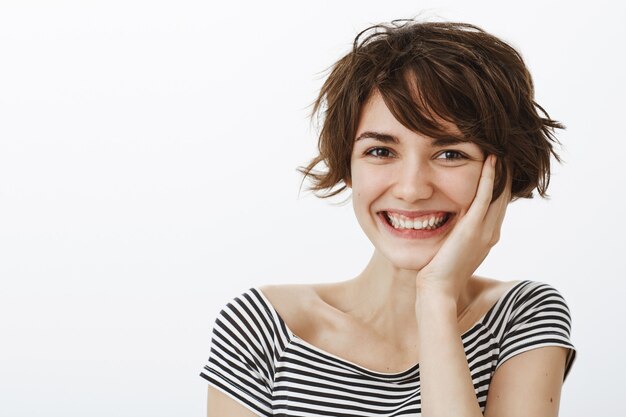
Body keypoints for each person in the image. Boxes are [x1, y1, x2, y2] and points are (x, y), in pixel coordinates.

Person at [200, 19, 576, 417]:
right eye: (381, 151)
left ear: (500, 174)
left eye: (450, 154)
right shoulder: (263, 327)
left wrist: (434, 299)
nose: (411, 189)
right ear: (348, 166)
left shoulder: (523, 315)